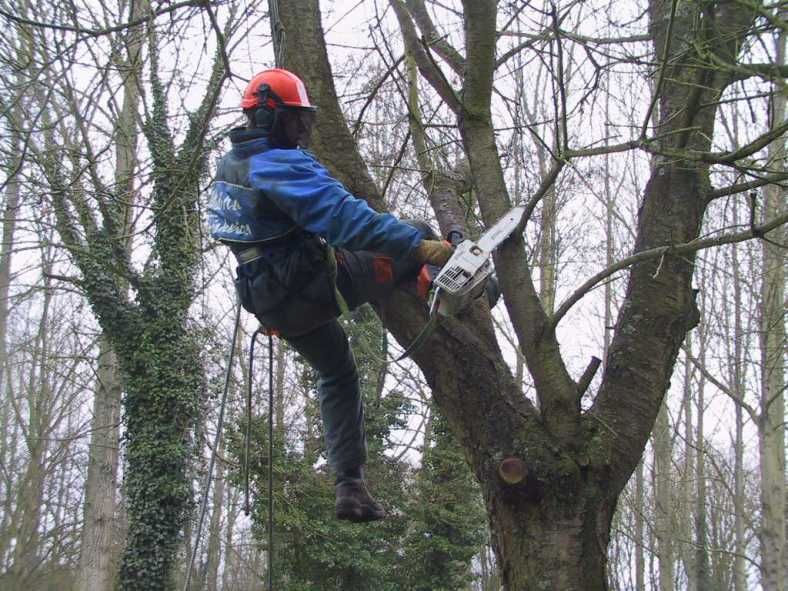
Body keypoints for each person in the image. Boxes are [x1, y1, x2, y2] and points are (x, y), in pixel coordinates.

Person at [208, 68, 453, 522]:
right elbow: (346, 220)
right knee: (413, 231)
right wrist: (419, 247)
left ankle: (350, 485)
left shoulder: (229, 166)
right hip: (311, 287)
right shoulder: (278, 165)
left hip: (268, 301)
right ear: (271, 119)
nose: (301, 132)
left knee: (337, 370)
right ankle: (442, 282)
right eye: (295, 121)